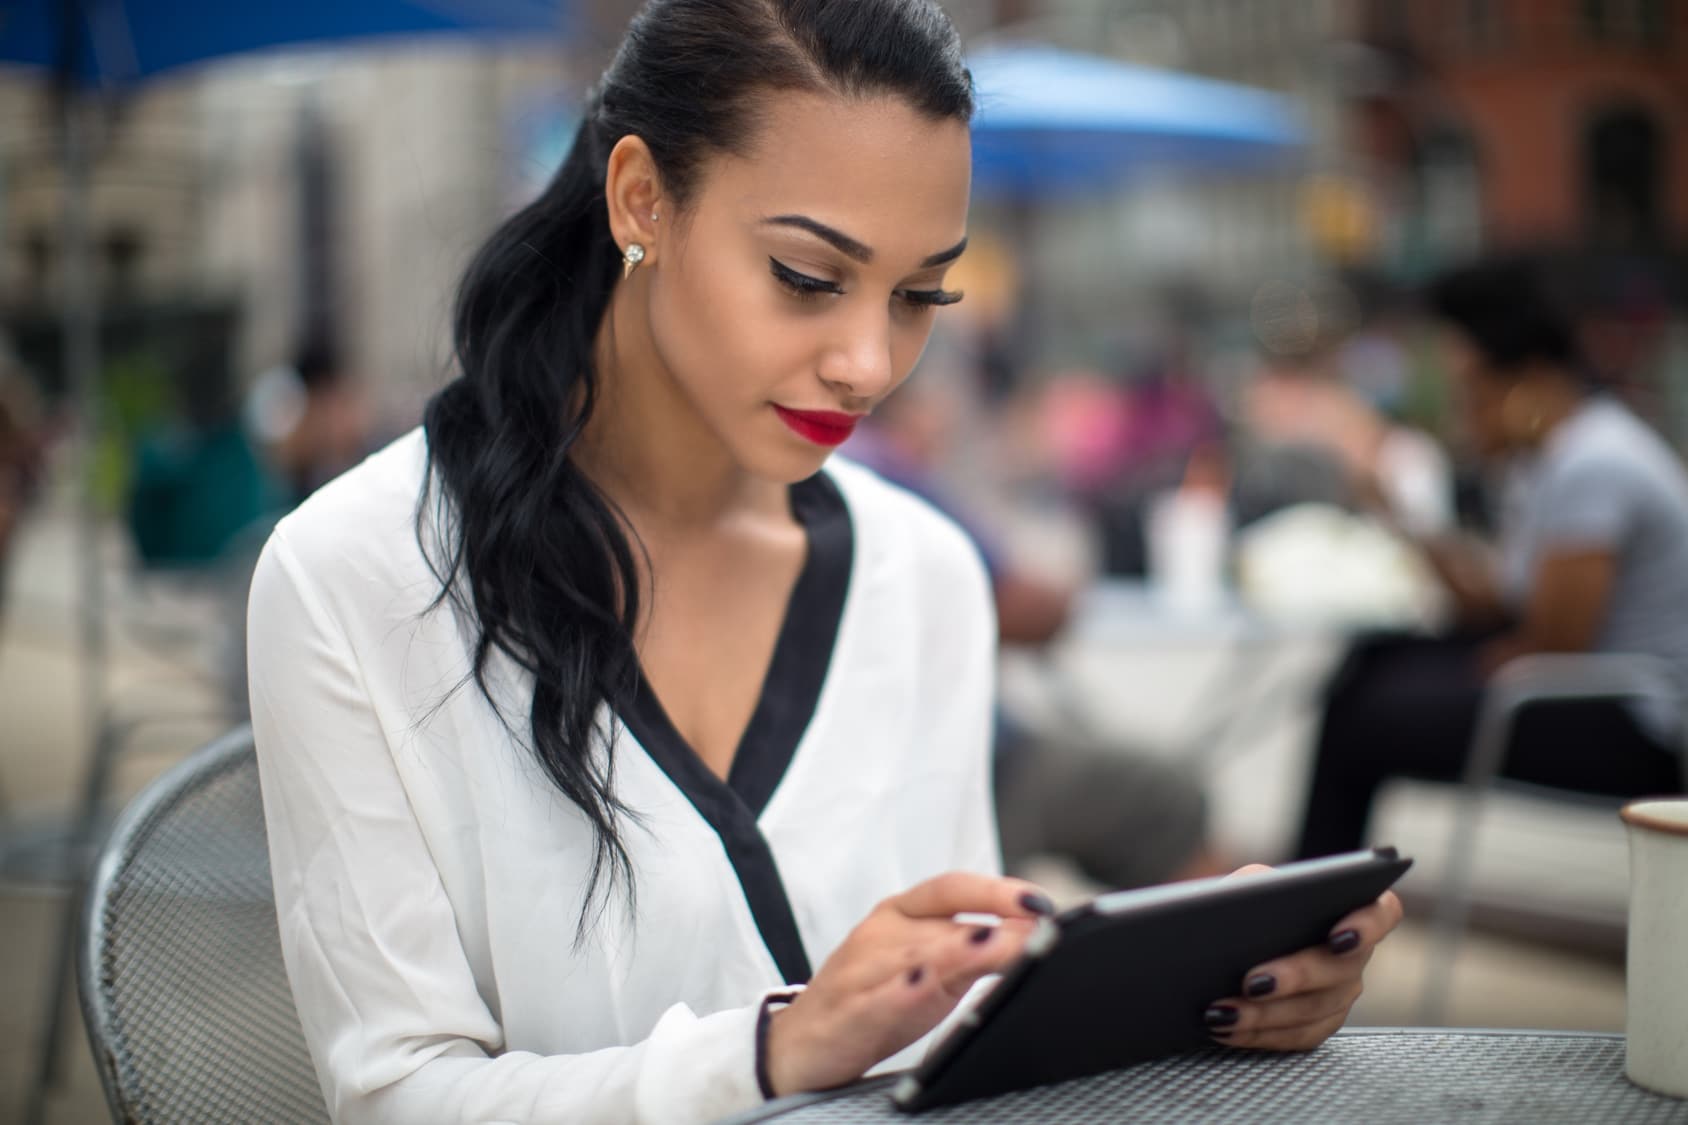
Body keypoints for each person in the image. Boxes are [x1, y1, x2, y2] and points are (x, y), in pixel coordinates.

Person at [247, 3, 1401, 1121]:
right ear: (641, 198)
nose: (866, 363)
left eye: (917, 295)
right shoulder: (358, 574)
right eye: (806, 277)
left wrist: (1199, 994)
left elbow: (950, 1019)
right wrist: (772, 1050)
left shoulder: (922, 571)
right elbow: (398, 1096)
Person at [1294, 259, 1688, 860]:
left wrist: (1464, 670)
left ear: (1526, 380)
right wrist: (1402, 519)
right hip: (1582, 685)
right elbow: (1494, 603)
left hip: (1632, 721)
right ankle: (1308, 887)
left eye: (1472, 392)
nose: (1462, 412)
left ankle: (1308, 902)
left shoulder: (1594, 464)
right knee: (1368, 661)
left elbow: (1553, 645)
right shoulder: (1550, 461)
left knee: (1365, 718)